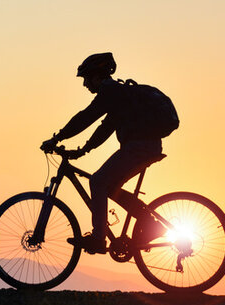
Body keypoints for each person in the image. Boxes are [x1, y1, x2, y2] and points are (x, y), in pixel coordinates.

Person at [40, 52, 166, 254]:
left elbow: (86, 117)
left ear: (96, 76)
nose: (84, 84)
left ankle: (99, 239)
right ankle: (150, 224)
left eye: (86, 79)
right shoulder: (118, 95)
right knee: (108, 187)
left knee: (98, 181)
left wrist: (57, 138)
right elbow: (105, 128)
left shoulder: (110, 91)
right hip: (145, 147)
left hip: (139, 148)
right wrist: (83, 150)